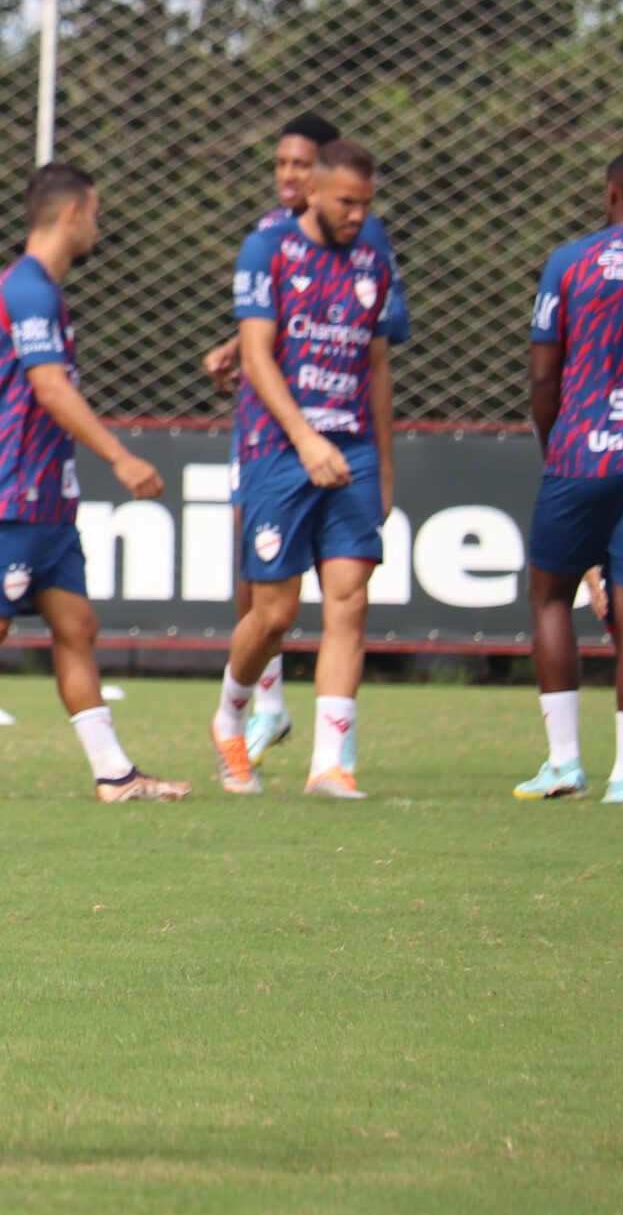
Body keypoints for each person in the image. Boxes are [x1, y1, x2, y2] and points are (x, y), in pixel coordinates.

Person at [0, 163, 185, 803]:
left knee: (76, 626)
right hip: (17, 490)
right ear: (73, 214)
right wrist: (120, 458)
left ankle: (114, 774)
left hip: (48, 497)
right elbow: (49, 388)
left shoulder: (41, 290)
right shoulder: (29, 290)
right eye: (96, 214)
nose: (98, 227)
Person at [200, 111, 409, 765]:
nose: (358, 214)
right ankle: (236, 712)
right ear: (314, 192)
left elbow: (377, 364)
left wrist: (384, 464)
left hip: (350, 449)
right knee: (274, 611)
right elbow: (259, 357)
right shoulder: (267, 247)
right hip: (279, 449)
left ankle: (333, 766)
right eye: (348, 202)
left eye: (365, 203)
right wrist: (306, 438)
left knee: (349, 598)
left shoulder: (374, 257)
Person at [514, 155, 623, 801]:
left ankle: (564, 762)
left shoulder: (571, 261)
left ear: (612, 193)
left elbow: (542, 373)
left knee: (552, 595)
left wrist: (554, 441)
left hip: (582, 451)